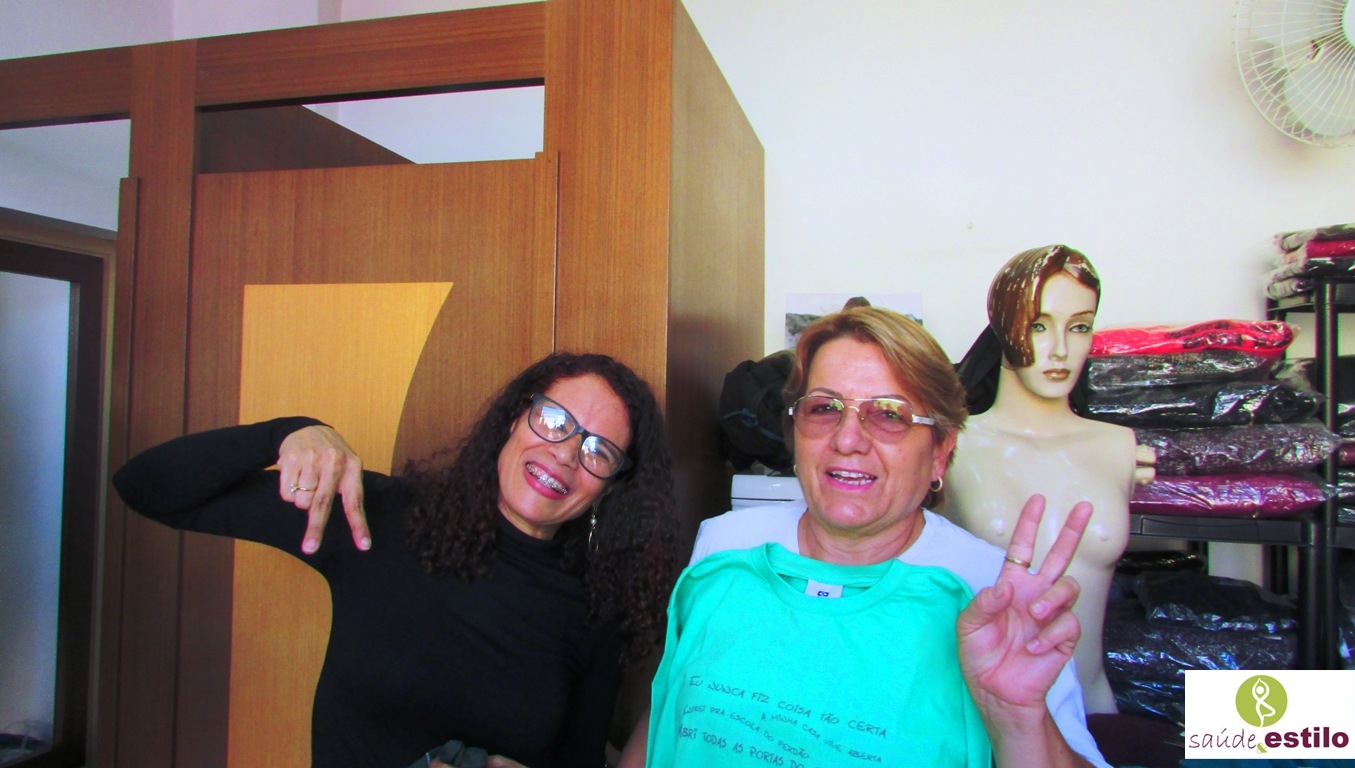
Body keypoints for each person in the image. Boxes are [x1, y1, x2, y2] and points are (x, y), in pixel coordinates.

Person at [112, 352, 679, 768]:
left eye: (599, 451)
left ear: (610, 486)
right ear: (515, 416)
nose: (565, 454)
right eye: (554, 421)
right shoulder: (378, 518)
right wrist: (286, 434)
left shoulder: (596, 609)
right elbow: (147, 487)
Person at [619, 305, 1111, 767]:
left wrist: (1018, 719)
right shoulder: (725, 547)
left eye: (890, 414)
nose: (847, 439)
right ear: (795, 434)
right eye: (823, 408)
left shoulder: (992, 591)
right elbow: (673, 714)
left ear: (940, 452)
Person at [944, 245, 1151, 715]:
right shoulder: (956, 445)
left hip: (1092, 707)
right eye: (1038, 326)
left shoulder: (1117, 446)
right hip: (985, 711)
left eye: (1079, 327)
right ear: (1003, 327)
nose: (1060, 350)